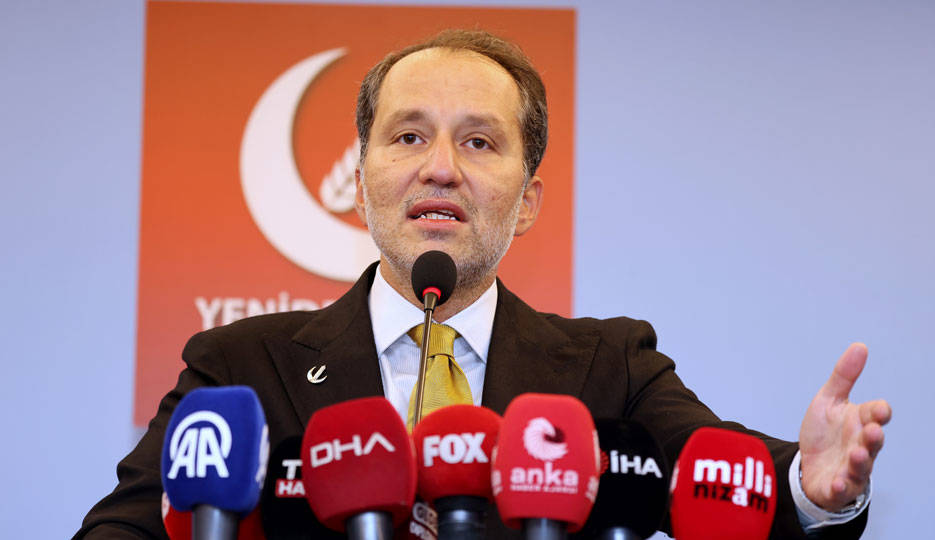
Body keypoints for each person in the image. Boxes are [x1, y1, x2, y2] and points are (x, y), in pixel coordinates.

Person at [76, 29, 891, 539]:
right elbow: (123, 531)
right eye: (408, 136)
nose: (439, 168)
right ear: (360, 182)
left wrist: (809, 487)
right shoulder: (238, 368)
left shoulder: (609, 365)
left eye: (478, 142)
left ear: (527, 200)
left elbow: (719, 483)